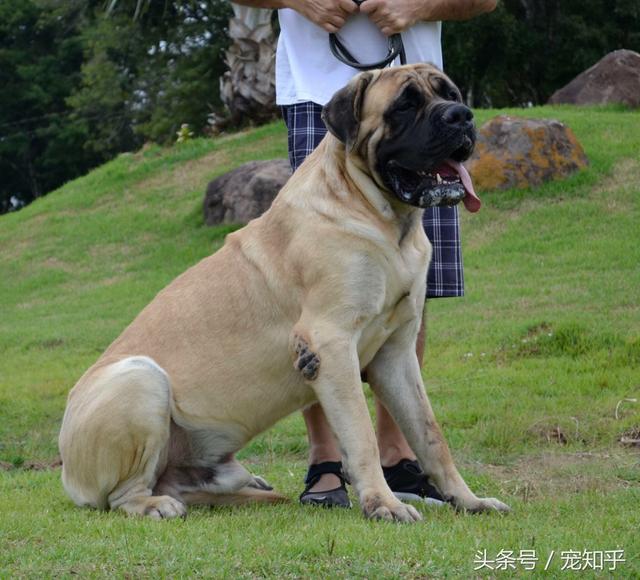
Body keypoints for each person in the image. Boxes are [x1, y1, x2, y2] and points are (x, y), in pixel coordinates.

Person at [231, 0, 497, 507]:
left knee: (407, 294)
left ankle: (397, 458)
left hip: (423, 94)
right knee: (315, 296)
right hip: (316, 93)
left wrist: (422, 5)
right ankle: (325, 460)